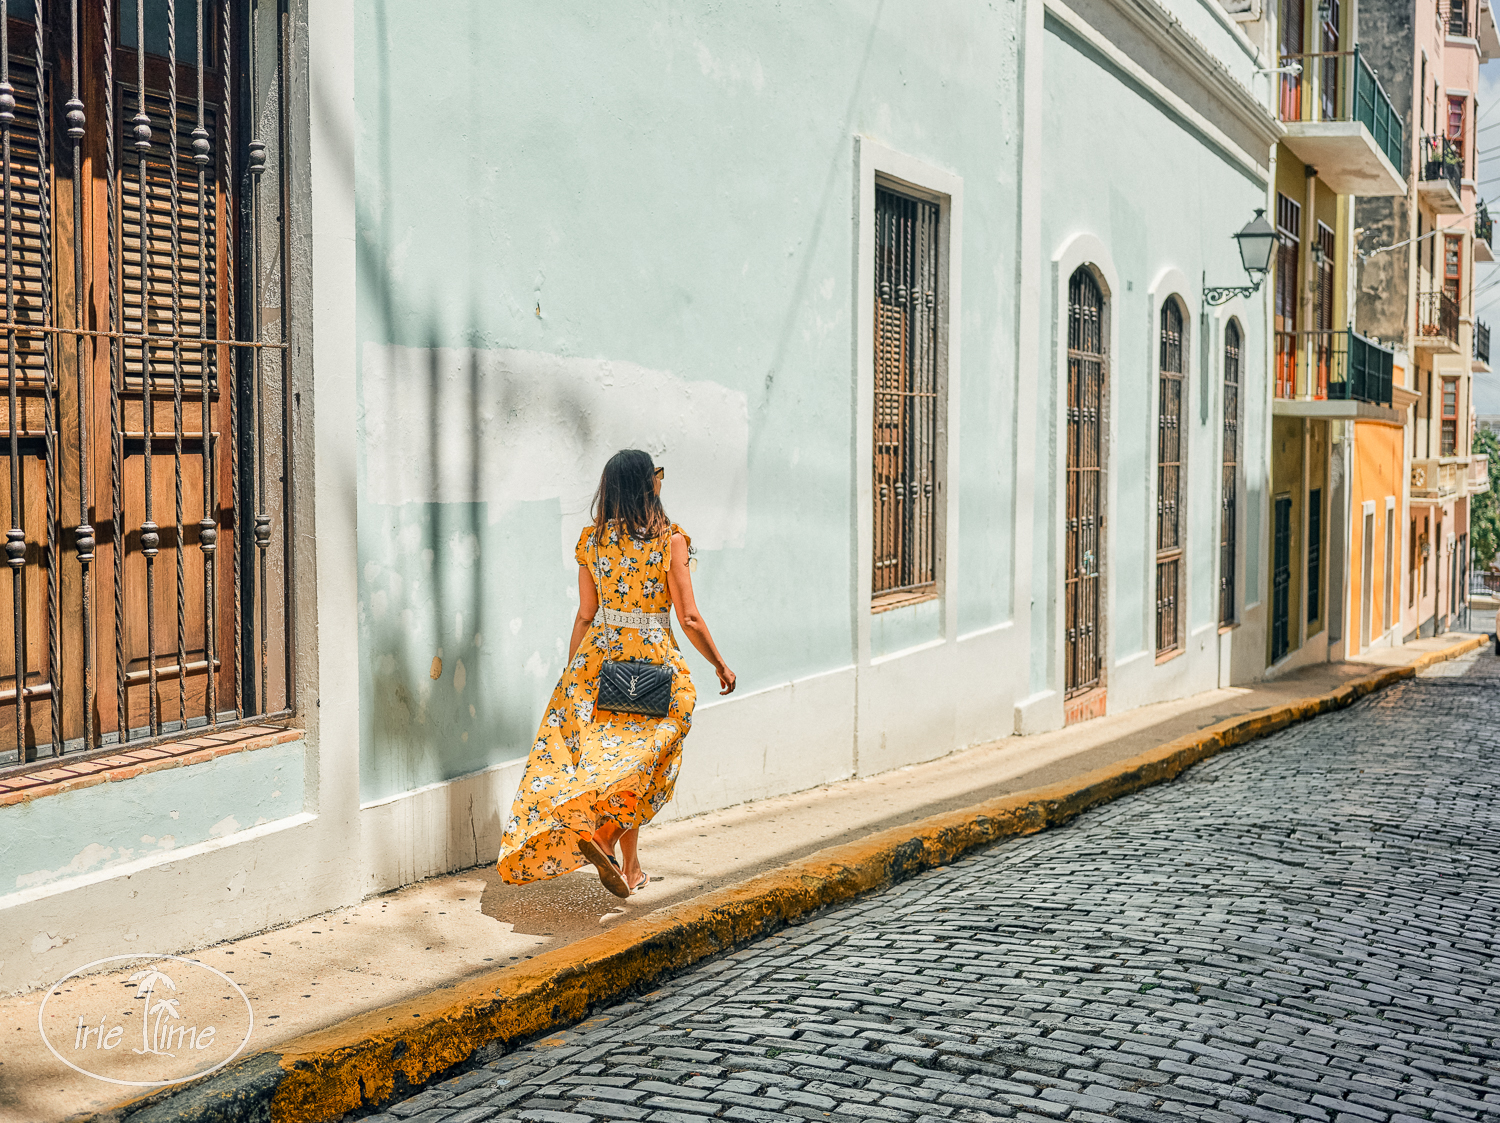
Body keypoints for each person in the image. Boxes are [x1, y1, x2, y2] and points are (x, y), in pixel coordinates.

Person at [494, 449, 735, 897]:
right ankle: (605, 836)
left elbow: (586, 614)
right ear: (648, 485)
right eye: (657, 475)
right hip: (651, 665)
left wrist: (572, 675)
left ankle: (631, 868)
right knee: (651, 752)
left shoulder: (594, 541)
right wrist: (719, 663)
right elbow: (689, 618)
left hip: (600, 662)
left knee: (619, 762)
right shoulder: (671, 540)